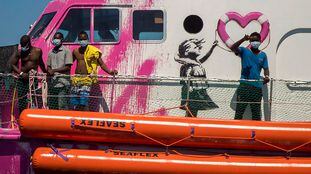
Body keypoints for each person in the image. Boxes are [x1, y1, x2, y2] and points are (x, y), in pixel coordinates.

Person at [71, 31, 118, 111]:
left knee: (83, 101)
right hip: (76, 79)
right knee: (74, 102)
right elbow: (69, 64)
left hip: (87, 79)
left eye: (84, 39)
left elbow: (102, 64)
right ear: (78, 40)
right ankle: (76, 119)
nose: (83, 41)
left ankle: (86, 118)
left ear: (88, 39)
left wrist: (110, 72)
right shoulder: (75, 51)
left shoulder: (93, 51)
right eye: (81, 39)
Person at [230, 32, 270, 120]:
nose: (255, 42)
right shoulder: (244, 51)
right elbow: (233, 48)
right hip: (244, 86)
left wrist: (267, 77)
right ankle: (236, 132)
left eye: (256, 40)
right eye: (252, 40)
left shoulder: (263, 55)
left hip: (257, 87)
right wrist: (243, 39)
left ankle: (256, 133)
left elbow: (266, 69)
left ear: (260, 41)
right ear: (249, 41)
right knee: (239, 113)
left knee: (256, 114)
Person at [175, 39, 219, 117]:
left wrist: (212, 47)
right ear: (187, 51)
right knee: (191, 109)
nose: (198, 48)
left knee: (194, 110)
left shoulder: (197, 62)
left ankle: (191, 123)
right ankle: (188, 124)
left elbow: (205, 57)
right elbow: (186, 76)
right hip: (193, 91)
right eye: (195, 47)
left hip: (199, 90)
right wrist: (189, 87)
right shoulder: (188, 63)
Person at [10, 35, 47, 114]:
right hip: (22, 79)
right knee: (22, 100)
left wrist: (46, 73)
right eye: (21, 45)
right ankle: (22, 116)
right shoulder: (20, 52)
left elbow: (41, 63)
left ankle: (33, 117)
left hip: (33, 79)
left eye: (24, 45)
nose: (22, 47)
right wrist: (21, 73)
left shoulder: (38, 51)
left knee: (34, 98)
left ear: (29, 43)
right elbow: (12, 64)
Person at [47, 32, 73, 110]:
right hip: (52, 84)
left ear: (62, 39)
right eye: (55, 38)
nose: (56, 40)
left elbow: (68, 67)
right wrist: (49, 71)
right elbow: (48, 66)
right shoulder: (51, 52)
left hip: (63, 83)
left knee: (62, 105)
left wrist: (54, 70)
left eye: (57, 38)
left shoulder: (66, 51)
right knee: (52, 106)